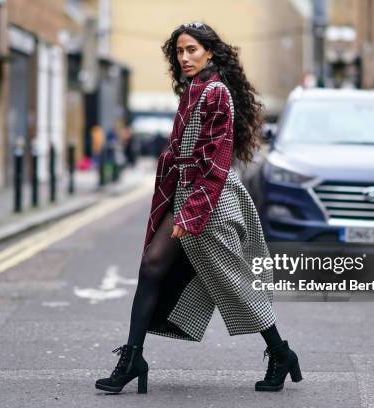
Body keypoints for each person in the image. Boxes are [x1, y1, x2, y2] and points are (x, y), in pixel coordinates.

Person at [95, 21, 302, 394]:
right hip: (188, 196)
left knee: (235, 283)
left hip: (213, 203)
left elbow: (217, 162)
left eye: (192, 50)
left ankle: (281, 352)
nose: (185, 57)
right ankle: (132, 358)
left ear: (209, 52)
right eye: (179, 51)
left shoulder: (216, 93)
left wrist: (191, 214)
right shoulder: (192, 91)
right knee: (152, 264)